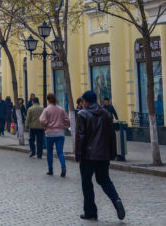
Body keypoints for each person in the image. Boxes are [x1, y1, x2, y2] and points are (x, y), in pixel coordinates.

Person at [74, 90, 124, 222]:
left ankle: (90, 212)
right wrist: (113, 153)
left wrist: (78, 155)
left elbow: (80, 137)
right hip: (103, 155)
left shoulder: (82, 114)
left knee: (86, 183)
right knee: (104, 180)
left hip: (87, 156)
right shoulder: (106, 114)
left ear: (85, 101)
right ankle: (116, 199)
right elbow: (112, 135)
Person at [40, 92, 70, 177]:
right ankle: (63, 166)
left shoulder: (46, 110)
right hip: (60, 133)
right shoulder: (61, 109)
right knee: (60, 152)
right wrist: (63, 126)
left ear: (48, 100)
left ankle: (50, 169)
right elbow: (67, 119)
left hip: (49, 133)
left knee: (49, 152)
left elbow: (42, 120)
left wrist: (46, 126)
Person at [26, 94, 45, 159]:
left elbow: (28, 118)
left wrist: (26, 125)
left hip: (33, 127)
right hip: (41, 127)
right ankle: (39, 154)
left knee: (31, 140)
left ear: (33, 101)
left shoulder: (30, 109)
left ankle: (33, 151)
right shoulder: (43, 108)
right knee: (40, 141)